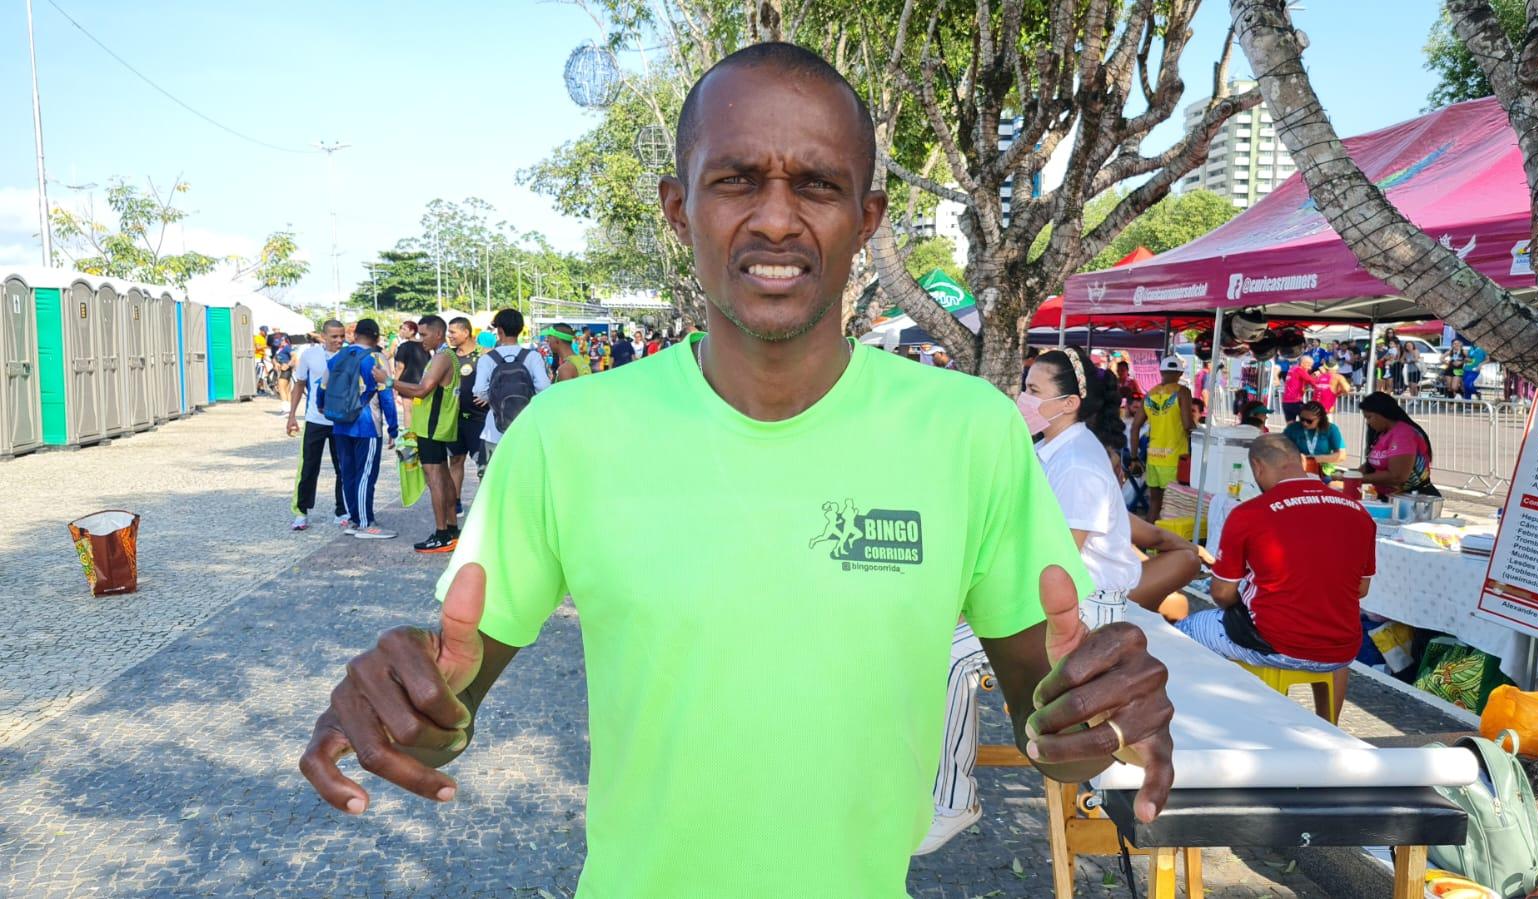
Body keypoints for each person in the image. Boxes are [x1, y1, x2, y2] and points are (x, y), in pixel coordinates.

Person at [299, 43, 1174, 897]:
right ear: (679, 208)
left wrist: (1091, 714)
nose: (777, 218)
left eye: (818, 183)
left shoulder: (967, 430)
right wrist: (401, 705)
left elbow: (1051, 727)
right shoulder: (568, 434)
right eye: (736, 179)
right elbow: (448, 710)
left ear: (866, 220)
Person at [920, 345, 1199, 855]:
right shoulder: (1053, 451)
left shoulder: (1076, 464)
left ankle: (954, 798)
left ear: (1068, 403)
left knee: (949, 659)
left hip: (1083, 608)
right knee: (933, 642)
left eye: (1033, 391)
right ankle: (933, 778)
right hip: (1061, 596)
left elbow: (1053, 561)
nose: (1022, 399)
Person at [1176, 434, 1374, 722]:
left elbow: (1221, 593)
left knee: (1184, 631)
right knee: (1330, 633)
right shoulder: (1358, 512)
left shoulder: (1249, 514)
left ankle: (1208, 722)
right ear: (1302, 462)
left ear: (1257, 466)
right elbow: (1361, 588)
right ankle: (1329, 724)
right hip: (1341, 649)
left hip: (1277, 644)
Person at [391, 315, 461, 553]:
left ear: (438, 334)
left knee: (435, 479)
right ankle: (451, 529)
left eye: (425, 334)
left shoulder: (442, 357)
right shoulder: (443, 356)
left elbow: (422, 390)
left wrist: (390, 382)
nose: (421, 339)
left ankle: (442, 533)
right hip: (435, 426)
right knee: (442, 475)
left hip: (433, 427)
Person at [328, 319, 399, 539]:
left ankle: (353, 518)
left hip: (340, 423)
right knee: (366, 474)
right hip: (366, 424)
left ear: (355, 335)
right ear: (377, 338)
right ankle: (365, 523)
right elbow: (386, 395)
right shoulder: (376, 359)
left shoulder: (338, 356)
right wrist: (393, 428)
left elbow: (322, 388)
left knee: (348, 472)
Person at [286, 320, 349, 531]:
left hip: (341, 421)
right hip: (315, 420)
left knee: (343, 467)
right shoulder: (310, 355)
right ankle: (301, 512)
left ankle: (342, 510)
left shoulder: (349, 355)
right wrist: (292, 415)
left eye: (342, 336)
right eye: (334, 336)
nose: (339, 340)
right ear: (324, 337)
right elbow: (300, 385)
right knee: (308, 466)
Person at [475, 308, 551, 465]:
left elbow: (478, 390)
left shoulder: (487, 359)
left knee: (495, 478)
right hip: (527, 425)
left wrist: (493, 397)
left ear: (500, 330)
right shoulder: (533, 356)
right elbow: (544, 387)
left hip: (495, 429)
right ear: (520, 330)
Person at [1129, 355, 1193, 522]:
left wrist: (1134, 457)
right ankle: (1165, 545)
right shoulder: (1182, 392)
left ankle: (1149, 546)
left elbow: (1135, 427)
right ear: (1180, 373)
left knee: (1155, 504)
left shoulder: (1149, 394)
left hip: (1154, 457)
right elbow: (1187, 425)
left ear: (1161, 372)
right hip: (1174, 459)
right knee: (1172, 507)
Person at [1359, 392, 1440, 497]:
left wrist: (1357, 479)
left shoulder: (1403, 434)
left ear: (1382, 413)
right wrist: (1347, 475)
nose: (1368, 423)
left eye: (1369, 417)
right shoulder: (1381, 433)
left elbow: (1397, 476)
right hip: (1389, 497)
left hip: (1412, 499)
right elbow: (1374, 463)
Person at [444, 317, 486, 500]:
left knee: (483, 465)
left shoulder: (485, 355)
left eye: (453, 332)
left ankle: (487, 506)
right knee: (455, 460)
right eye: (448, 331)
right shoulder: (447, 356)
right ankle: (455, 503)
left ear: (466, 332)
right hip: (454, 419)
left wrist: (490, 396)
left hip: (479, 419)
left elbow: (498, 381)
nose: (449, 335)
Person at [1283, 401, 1346, 480]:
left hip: (1323, 473)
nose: (1304, 423)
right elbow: (1281, 449)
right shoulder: (1292, 428)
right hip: (1299, 472)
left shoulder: (1331, 429)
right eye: (1302, 419)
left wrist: (1314, 459)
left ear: (1320, 419)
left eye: (1309, 421)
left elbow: (1341, 455)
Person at [392, 320, 429, 433]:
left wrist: (395, 385)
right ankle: (420, 433)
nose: (401, 331)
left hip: (406, 383)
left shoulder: (403, 346)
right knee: (419, 410)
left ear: (412, 331)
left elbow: (400, 367)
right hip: (421, 383)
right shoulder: (424, 345)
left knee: (408, 410)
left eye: (404, 329)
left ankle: (410, 438)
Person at [1281, 354, 1316, 424]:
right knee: (1308, 422)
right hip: (1295, 401)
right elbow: (1312, 381)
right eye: (1309, 365)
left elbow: (1299, 381)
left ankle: (1291, 434)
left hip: (1286, 402)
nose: (1310, 368)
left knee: (1290, 425)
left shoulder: (1293, 369)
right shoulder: (1299, 370)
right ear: (1303, 363)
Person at [253, 325, 270, 394]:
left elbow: (263, 349)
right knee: (259, 374)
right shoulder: (257, 337)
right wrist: (266, 346)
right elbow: (257, 347)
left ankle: (261, 389)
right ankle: (257, 389)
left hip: (262, 357)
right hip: (257, 358)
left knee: (262, 375)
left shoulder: (263, 338)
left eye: (266, 331)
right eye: (264, 331)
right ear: (261, 331)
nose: (266, 333)